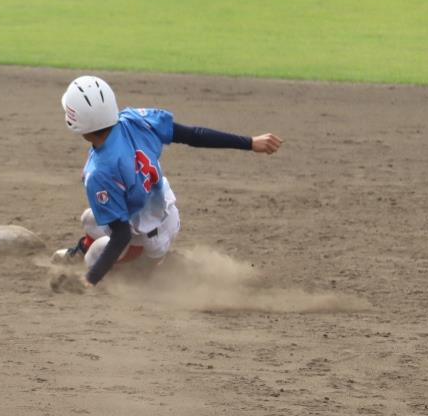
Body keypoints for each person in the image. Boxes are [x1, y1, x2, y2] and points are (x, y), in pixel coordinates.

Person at [52, 75, 283, 289]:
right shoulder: (134, 120)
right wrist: (250, 142)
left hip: (148, 239)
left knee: (96, 256)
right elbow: (193, 135)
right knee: (89, 218)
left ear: (77, 122)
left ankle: (147, 269)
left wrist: (90, 278)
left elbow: (121, 236)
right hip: (166, 211)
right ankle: (89, 249)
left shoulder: (99, 172)